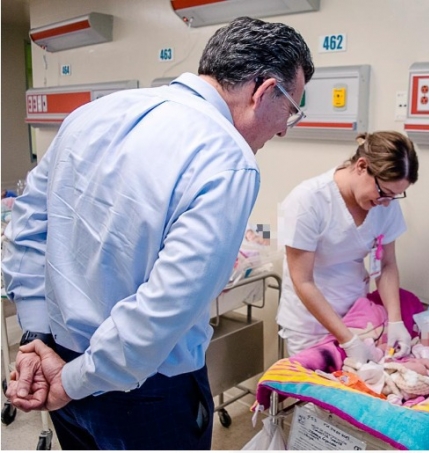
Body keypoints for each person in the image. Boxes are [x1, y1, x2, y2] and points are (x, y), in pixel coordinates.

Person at [2, 16, 313, 450]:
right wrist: (73, 380)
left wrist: (36, 335)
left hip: (60, 360)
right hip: (143, 393)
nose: (282, 128)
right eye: (291, 111)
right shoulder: (228, 158)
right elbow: (165, 306)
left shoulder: (92, 115)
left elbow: (27, 227)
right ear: (264, 92)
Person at [277, 131, 419, 363]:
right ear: (362, 166)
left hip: (358, 314)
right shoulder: (308, 201)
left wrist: (395, 320)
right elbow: (302, 281)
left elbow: (387, 264)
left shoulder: (384, 203)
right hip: (310, 323)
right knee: (318, 385)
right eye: (383, 192)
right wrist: (348, 340)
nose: (386, 203)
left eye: (394, 196)